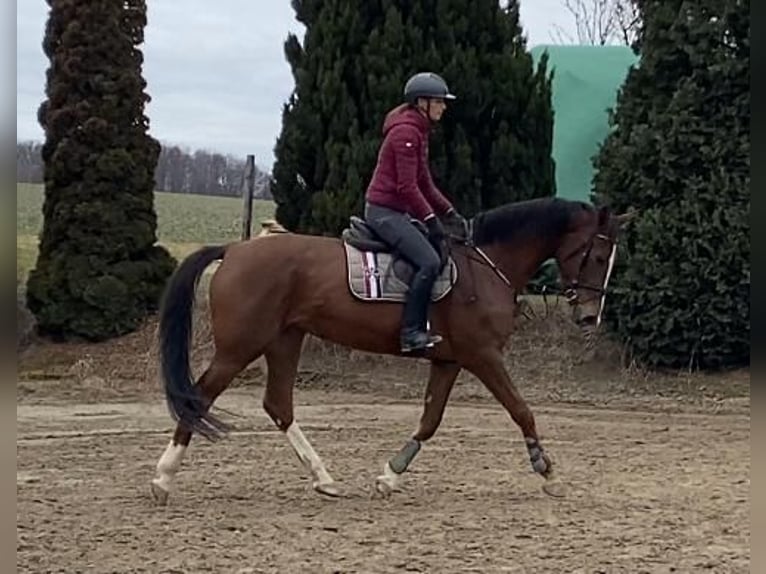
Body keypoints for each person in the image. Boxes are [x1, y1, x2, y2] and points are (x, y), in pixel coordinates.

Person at [364, 72, 469, 354]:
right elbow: (407, 186)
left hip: (396, 211)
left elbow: (425, 183)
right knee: (429, 262)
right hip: (384, 212)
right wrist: (430, 220)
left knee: (437, 251)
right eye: (439, 101)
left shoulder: (418, 131)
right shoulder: (406, 134)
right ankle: (411, 332)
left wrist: (449, 212)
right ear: (421, 102)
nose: (443, 107)